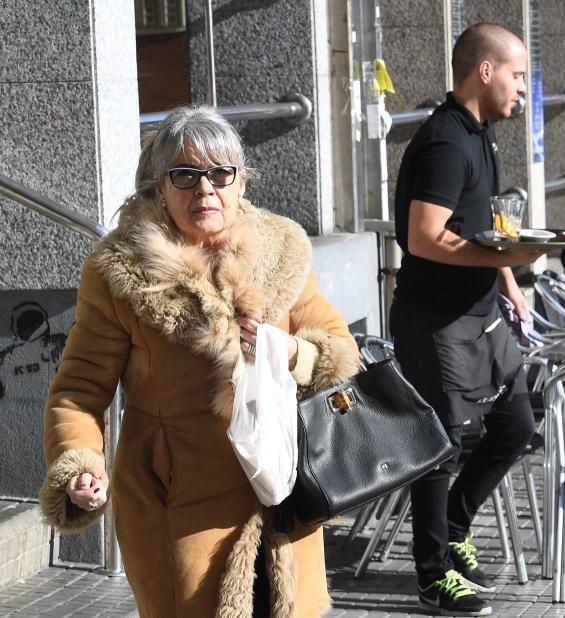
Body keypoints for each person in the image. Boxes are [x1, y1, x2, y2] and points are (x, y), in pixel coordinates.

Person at [39, 105, 360, 617]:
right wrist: (80, 463)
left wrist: (293, 353)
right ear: (158, 189)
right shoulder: (119, 274)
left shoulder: (282, 254)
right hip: (181, 510)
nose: (204, 189)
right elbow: (79, 389)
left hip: (284, 499)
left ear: (240, 184)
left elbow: (340, 349)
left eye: (219, 174)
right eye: (184, 175)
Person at [389, 22, 544, 617]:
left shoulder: (482, 133)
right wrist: (515, 257)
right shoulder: (445, 142)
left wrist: (508, 277)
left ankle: (455, 523)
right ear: (485, 71)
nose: (523, 89)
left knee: (516, 426)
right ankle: (431, 574)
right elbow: (424, 237)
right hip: (435, 320)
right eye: (518, 75)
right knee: (439, 446)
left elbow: (479, 224)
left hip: (483, 315)